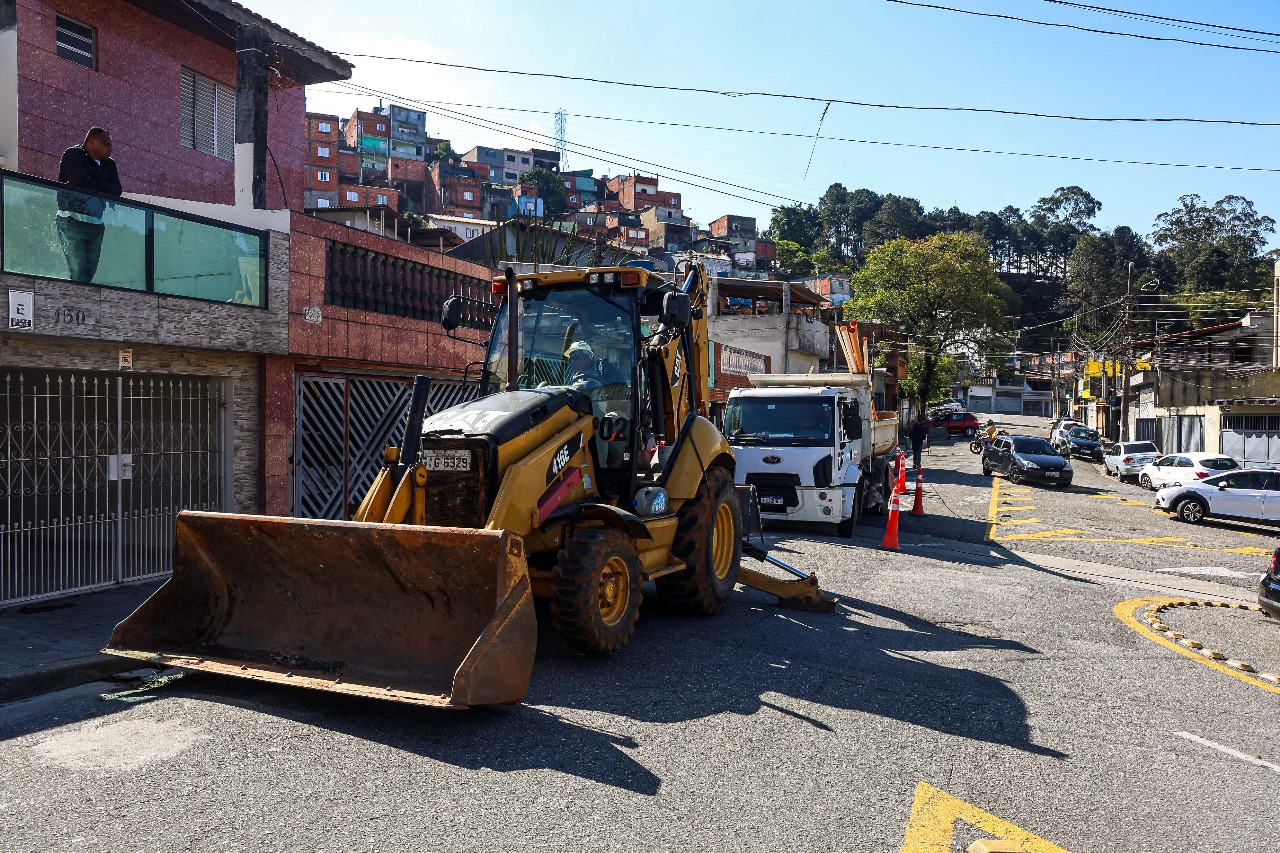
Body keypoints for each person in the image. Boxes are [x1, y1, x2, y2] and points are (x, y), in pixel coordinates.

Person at [57, 127, 122, 283]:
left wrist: (92, 183)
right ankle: (75, 303)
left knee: (90, 270)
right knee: (79, 268)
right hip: (72, 220)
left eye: (111, 145)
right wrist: (103, 186)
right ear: (92, 141)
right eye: (106, 144)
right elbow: (80, 182)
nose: (110, 148)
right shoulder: (73, 154)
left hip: (96, 223)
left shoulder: (109, 165)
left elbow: (117, 190)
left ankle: (82, 303)